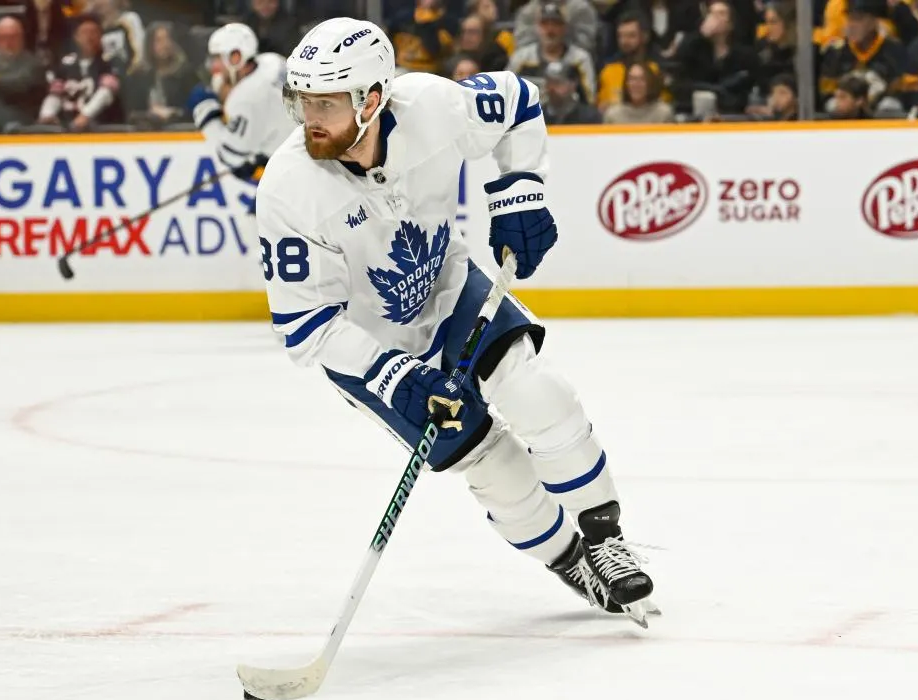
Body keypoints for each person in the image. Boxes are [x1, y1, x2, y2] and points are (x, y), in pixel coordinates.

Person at [256, 17, 657, 620]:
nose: (310, 116)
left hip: (450, 290)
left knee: (537, 394)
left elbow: (521, 103)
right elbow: (307, 325)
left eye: (326, 102)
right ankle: (569, 559)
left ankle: (606, 538)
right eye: (302, 100)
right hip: (367, 347)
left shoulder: (434, 107)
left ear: (372, 98)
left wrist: (519, 189)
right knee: (486, 459)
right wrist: (392, 374)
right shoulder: (290, 189)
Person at [186, 23, 293, 210]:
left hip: (296, 175)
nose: (214, 66)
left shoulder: (245, 99)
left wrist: (206, 117)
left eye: (218, 58)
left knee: (257, 226)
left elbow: (231, 158)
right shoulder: (272, 61)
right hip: (304, 154)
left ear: (235, 57)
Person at [37, 14, 122, 131]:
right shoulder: (64, 64)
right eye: (84, 32)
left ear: (101, 36)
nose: (89, 37)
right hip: (65, 126)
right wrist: (47, 115)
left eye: (94, 32)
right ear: (76, 37)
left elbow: (106, 94)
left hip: (99, 128)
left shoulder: (110, 63)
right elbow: (55, 94)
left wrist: (85, 116)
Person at [673, 0, 758, 114]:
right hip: (696, 110)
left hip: (732, 113)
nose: (715, 18)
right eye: (711, 14)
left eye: (721, 13)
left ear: (731, 23)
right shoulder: (694, 48)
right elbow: (681, 73)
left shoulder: (744, 55)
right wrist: (701, 34)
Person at [508, 2, 596, 105]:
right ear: (537, 27)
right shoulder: (521, 58)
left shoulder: (580, 59)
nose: (550, 30)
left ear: (565, 28)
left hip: (570, 117)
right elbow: (506, 94)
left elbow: (590, 100)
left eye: (556, 24)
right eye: (544, 24)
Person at [123, 23, 196, 129]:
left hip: (180, 131)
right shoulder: (138, 75)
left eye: (168, 39)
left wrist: (174, 113)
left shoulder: (185, 74)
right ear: (149, 45)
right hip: (144, 132)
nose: (165, 44)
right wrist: (149, 114)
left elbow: (194, 109)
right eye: (159, 40)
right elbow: (131, 112)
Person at [603, 60, 674, 124]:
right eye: (632, 79)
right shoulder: (613, 115)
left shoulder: (664, 113)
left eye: (642, 79)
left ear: (650, 83)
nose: (636, 84)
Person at [540, 59, 602, 124]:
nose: (551, 88)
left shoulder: (590, 117)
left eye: (557, 83)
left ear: (573, 84)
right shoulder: (534, 116)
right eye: (549, 83)